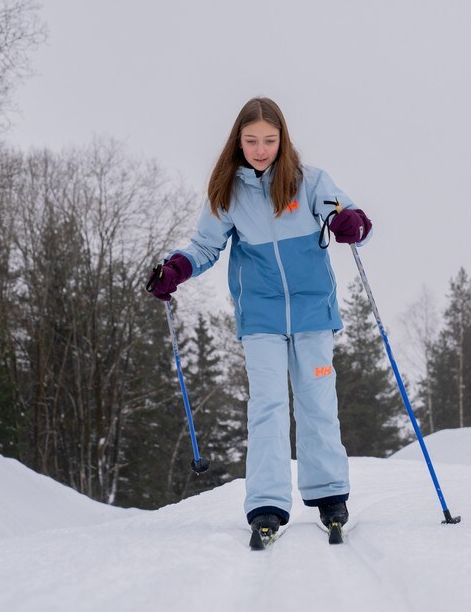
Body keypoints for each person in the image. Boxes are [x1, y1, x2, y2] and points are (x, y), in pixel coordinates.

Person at [147, 96, 372, 538]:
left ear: (282, 139)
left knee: (317, 401)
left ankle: (329, 494)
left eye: (269, 140)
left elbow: (350, 218)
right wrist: (175, 269)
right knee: (267, 406)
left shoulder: (309, 182)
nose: (261, 149)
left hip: (313, 311)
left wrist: (352, 225)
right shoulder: (228, 192)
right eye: (251, 140)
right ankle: (267, 503)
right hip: (261, 316)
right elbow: (205, 247)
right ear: (238, 141)